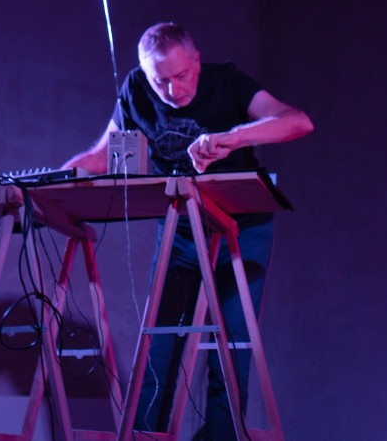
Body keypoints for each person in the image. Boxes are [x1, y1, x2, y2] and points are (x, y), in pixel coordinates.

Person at [63, 22, 313, 439]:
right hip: (181, 231)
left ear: (196, 61)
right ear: (145, 75)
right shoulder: (136, 89)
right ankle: (146, 435)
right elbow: (103, 154)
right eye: (160, 81)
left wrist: (233, 138)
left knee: (231, 347)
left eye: (181, 76)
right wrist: (57, 176)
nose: (173, 90)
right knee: (159, 345)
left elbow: (298, 122)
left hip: (241, 229)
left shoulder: (226, 82)